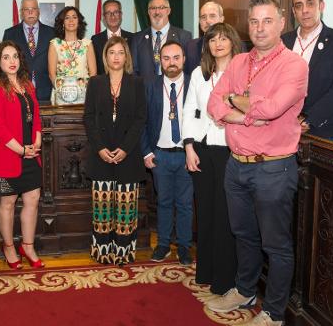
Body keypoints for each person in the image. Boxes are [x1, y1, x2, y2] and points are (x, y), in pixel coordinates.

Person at [206, 0, 308, 326]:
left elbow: (273, 108)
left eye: (267, 21)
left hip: (273, 167)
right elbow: (213, 103)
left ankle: (274, 312)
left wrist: (234, 100)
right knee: (244, 234)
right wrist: (244, 114)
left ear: (281, 24)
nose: (259, 28)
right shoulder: (237, 63)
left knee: (276, 245)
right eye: (253, 21)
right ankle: (245, 289)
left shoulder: (293, 65)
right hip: (236, 165)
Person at [182, 22, 242, 296]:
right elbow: (190, 110)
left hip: (231, 149)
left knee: (225, 215)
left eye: (223, 38)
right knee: (205, 212)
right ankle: (205, 270)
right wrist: (189, 147)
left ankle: (225, 278)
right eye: (212, 39)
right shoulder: (199, 73)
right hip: (202, 149)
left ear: (232, 41)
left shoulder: (243, 73)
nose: (218, 43)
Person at [83, 36, 147, 266]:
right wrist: (99, 148)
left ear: (126, 56)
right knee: (102, 209)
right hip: (101, 155)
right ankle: (102, 251)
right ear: (106, 57)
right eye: (112, 53)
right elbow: (88, 118)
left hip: (127, 156)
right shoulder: (96, 82)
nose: (116, 57)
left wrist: (125, 149)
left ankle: (123, 252)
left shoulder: (137, 83)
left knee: (126, 209)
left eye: (121, 52)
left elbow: (141, 119)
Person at [0, 40, 45, 269]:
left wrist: (36, 142)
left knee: (32, 200)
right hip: (8, 155)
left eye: (15, 57)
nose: (11, 61)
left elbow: (36, 117)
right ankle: (9, 246)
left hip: (32, 154)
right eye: (6, 57)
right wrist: (22, 150)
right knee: (8, 203)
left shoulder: (27, 85)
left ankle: (28, 245)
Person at [140, 40, 193, 266]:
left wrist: (194, 151)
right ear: (159, 61)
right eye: (166, 58)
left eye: (176, 58)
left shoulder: (194, 84)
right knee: (163, 202)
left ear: (184, 59)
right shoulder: (151, 85)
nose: (171, 63)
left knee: (185, 204)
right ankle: (163, 244)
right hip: (159, 154)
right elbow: (141, 122)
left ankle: (183, 246)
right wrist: (146, 152)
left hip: (186, 155)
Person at [281, 0, 333, 138]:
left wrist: (309, 119)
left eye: (310, 3)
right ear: (294, 12)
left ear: (321, 6)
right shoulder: (283, 41)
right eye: (299, 6)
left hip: (323, 129)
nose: (305, 10)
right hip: (283, 127)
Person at [2, 0, 55, 103]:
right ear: (22, 12)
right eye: (27, 9)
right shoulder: (10, 33)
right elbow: (4, 63)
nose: (30, 12)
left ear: (38, 11)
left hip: (46, 91)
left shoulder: (52, 33)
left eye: (33, 9)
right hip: (19, 90)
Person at [130, 0, 192, 82]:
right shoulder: (137, 38)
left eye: (161, 7)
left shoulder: (184, 36)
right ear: (148, 12)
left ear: (168, 11)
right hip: (145, 92)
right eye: (153, 8)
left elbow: (188, 68)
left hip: (174, 91)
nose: (157, 12)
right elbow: (133, 70)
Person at [48, 6, 97, 104]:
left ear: (79, 22)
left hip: (84, 96)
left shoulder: (87, 44)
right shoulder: (54, 44)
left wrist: (85, 92)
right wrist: (62, 92)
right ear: (62, 22)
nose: (71, 20)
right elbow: (52, 74)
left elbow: (93, 74)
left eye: (74, 17)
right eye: (67, 17)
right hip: (61, 96)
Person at [91, 0, 134, 75]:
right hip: (103, 85)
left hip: (127, 84)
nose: (112, 16)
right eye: (108, 13)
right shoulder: (95, 40)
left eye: (116, 12)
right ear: (104, 17)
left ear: (121, 15)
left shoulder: (133, 38)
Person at [184, 1, 226, 75]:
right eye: (203, 17)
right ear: (200, 21)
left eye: (212, 16)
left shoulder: (235, 45)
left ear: (221, 19)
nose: (208, 21)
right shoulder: (190, 46)